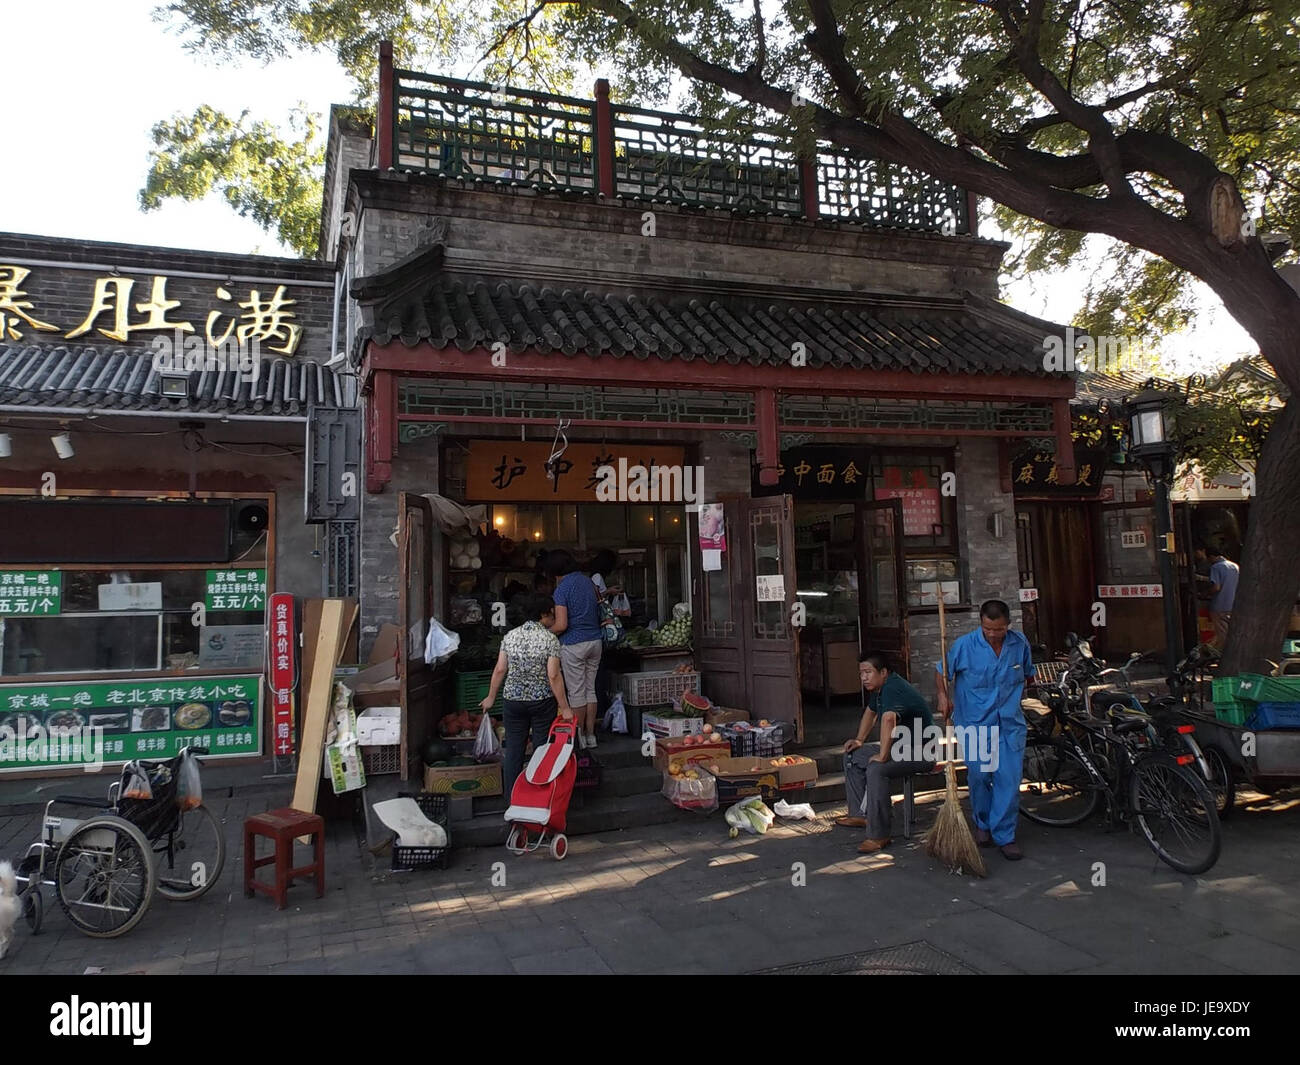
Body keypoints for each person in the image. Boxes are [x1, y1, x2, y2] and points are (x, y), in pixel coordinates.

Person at [935, 599, 1034, 861]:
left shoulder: (1019, 643)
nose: (992, 634)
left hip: (1010, 724)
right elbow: (941, 672)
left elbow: (1026, 674)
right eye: (988, 629)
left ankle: (1005, 835)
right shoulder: (964, 646)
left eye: (998, 629)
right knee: (979, 776)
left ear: (1007, 625)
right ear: (981, 623)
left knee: (1009, 781)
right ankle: (982, 823)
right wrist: (943, 696)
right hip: (975, 723)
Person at [836, 653, 936, 854]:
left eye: (868, 672)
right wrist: (859, 740)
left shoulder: (892, 688)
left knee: (877, 769)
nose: (864, 677)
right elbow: (871, 712)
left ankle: (879, 835)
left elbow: (888, 719)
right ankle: (859, 814)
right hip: (900, 747)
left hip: (921, 752)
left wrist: (883, 755)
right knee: (852, 755)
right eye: (861, 673)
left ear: (883, 672)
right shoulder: (880, 688)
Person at [480, 593, 574, 797]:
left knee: (514, 748)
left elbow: (499, 669)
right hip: (541, 702)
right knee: (541, 748)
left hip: (513, 701)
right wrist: (565, 708)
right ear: (543, 615)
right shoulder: (550, 639)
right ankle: (536, 795)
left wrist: (490, 697)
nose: (553, 619)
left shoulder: (511, 636)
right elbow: (553, 675)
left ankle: (512, 797)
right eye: (552, 615)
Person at [546, 549, 604, 750]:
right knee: (590, 690)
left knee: (577, 693)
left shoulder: (562, 589)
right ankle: (591, 735)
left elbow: (561, 625)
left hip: (574, 644)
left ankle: (577, 738)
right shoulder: (588, 582)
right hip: (595, 641)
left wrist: (544, 633)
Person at [588, 549, 621, 718]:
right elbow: (596, 597)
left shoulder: (595, 576)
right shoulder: (597, 577)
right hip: (598, 630)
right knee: (597, 676)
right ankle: (600, 711)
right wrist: (609, 592)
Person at [1196, 543, 1239, 650]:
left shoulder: (1216, 567)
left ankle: (1224, 654)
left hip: (1219, 605)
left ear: (1211, 557)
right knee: (1231, 631)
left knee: (1221, 633)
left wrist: (1204, 594)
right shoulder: (1234, 566)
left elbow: (1216, 587)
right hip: (1233, 603)